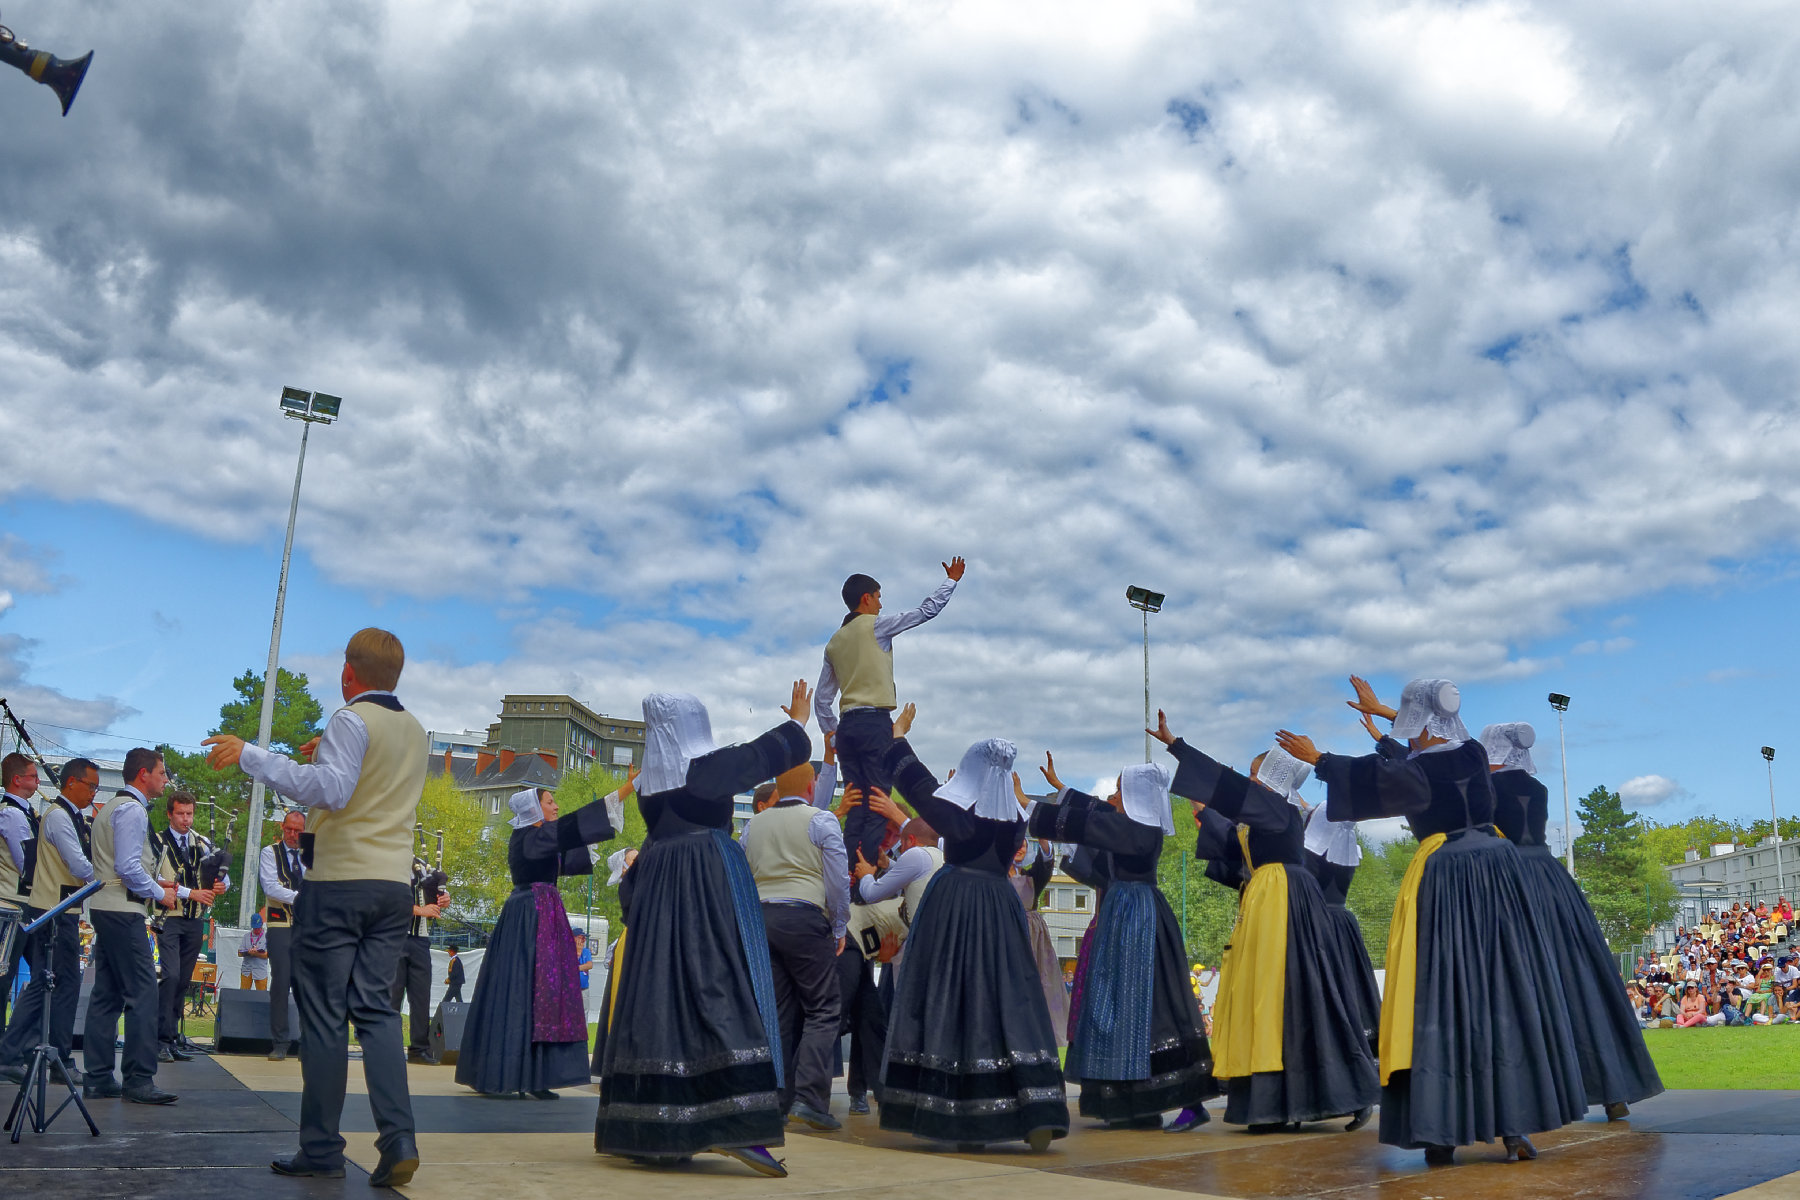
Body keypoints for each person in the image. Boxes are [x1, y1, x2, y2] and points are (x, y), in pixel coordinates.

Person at [1276, 677, 1585, 1165]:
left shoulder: (1417, 773)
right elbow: (1416, 761)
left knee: (1440, 996)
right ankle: (1514, 1129)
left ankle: (1441, 1129)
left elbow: (1392, 776)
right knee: (1505, 990)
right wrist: (1385, 717)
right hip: (1499, 872)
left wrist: (1319, 759)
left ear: (1416, 719)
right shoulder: (1475, 756)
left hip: (1448, 879)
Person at [206, 627, 428, 1187]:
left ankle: (322, 1147)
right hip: (393, 886)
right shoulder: (416, 732)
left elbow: (330, 791)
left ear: (348, 673)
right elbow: (365, 781)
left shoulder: (349, 719)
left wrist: (254, 757)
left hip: (340, 880)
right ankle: (398, 1137)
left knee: (327, 1016)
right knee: (377, 1012)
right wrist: (328, 754)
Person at [594, 685, 814, 1178]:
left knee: (660, 995)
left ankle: (655, 1128)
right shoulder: (703, 771)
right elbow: (761, 755)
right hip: (704, 880)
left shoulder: (652, 783)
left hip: (658, 883)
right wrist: (800, 721)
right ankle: (737, 1120)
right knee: (720, 985)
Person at [1155, 721, 1377, 1133]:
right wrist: (1207, 814)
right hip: (1269, 899)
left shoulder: (1275, 808)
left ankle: (1338, 1093)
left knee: (1283, 995)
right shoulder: (1271, 814)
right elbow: (1238, 855)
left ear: (1271, 779)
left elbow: (1225, 784)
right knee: (1280, 998)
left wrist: (1178, 747)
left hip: (1282, 903)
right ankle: (1284, 1098)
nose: (1251, 780)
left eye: (1257, 774)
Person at [875, 729, 1069, 1151]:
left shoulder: (959, 815)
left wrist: (897, 743)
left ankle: (961, 1110)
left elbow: (920, 787)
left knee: (952, 996)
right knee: (1010, 998)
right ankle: (1032, 1108)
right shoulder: (1015, 819)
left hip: (956, 904)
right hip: (1001, 905)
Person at [1029, 750, 1218, 1132]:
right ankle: (1134, 1103)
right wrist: (1060, 790)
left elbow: (1092, 823)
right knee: (1120, 1007)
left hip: (1137, 921)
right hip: (1123, 916)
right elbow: (1098, 813)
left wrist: (1028, 805)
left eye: (1120, 791)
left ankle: (1188, 1101)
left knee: (1149, 1009)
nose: (1114, 796)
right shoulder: (1132, 825)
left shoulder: (1140, 831)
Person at [1481, 722, 1661, 1120]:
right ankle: (1613, 1090)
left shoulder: (1486, 788)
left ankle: (1529, 1095)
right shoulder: (1539, 788)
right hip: (1550, 878)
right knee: (1579, 979)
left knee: (1515, 979)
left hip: (1509, 879)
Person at [458, 783, 623, 1098]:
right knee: (525, 991)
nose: (556, 806)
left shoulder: (537, 839)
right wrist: (624, 792)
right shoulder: (530, 837)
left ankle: (536, 1076)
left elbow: (570, 843)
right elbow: (574, 826)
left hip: (540, 913)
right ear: (535, 810)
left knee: (545, 994)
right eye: (550, 802)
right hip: (531, 916)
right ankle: (510, 1074)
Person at [815, 557, 964, 866]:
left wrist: (831, 733)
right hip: (874, 724)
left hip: (847, 727)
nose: (881, 605)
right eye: (879, 597)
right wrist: (951, 581)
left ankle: (847, 871)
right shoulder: (876, 626)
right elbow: (925, 611)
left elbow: (822, 699)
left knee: (856, 805)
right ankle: (865, 872)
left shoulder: (833, 643)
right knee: (878, 802)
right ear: (866, 598)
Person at [742, 752, 850, 1132]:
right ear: (810, 787)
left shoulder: (752, 825)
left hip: (762, 919)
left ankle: (776, 1098)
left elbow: (742, 875)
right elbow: (838, 881)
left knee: (780, 1014)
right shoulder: (820, 820)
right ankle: (810, 1098)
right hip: (805, 916)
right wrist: (839, 926)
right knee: (822, 1009)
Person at [83, 746, 180, 1105]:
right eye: (162, 773)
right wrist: (160, 892)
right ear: (144, 774)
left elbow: (121, 865)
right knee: (144, 991)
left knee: (107, 993)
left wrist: (159, 887)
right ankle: (139, 1078)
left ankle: (97, 1076)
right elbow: (127, 867)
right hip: (124, 910)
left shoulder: (112, 807)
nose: (165, 779)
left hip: (107, 906)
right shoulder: (133, 810)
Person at [0, 758, 99, 1084]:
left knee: (53, 983)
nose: (94, 793)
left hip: (45, 907)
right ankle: (16, 1050)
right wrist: (109, 876)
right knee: (40, 982)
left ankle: (31, 1049)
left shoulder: (49, 815)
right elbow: (28, 861)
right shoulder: (26, 815)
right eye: (91, 786)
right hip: (30, 906)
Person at [1301, 797, 1380, 1059]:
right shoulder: (1346, 848)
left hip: (1321, 925)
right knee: (1352, 990)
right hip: (1344, 925)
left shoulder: (1313, 854)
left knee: (1329, 991)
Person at [154, 790, 221, 1062]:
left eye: (189, 814)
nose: (186, 819)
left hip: (194, 920)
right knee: (170, 976)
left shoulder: (201, 842)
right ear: (170, 814)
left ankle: (170, 1039)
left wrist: (220, 884)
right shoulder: (157, 840)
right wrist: (191, 893)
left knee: (182, 981)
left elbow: (219, 873)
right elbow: (154, 877)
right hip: (168, 918)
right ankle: (158, 1038)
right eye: (180, 813)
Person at [258, 809, 307, 1059]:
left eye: (298, 831)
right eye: (289, 829)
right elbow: (270, 887)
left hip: (307, 927)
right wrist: (303, 898)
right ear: (282, 827)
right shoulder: (270, 852)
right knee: (281, 981)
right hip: (280, 924)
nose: (292, 834)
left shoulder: (312, 856)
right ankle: (280, 1041)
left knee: (306, 982)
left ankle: (307, 1040)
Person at [392, 855, 449, 1065]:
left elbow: (432, 887)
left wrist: (444, 898)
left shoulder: (420, 865)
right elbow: (382, 899)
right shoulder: (384, 859)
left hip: (420, 939)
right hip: (393, 938)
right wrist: (418, 910)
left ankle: (418, 1049)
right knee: (392, 996)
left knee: (421, 997)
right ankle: (389, 1048)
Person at [0, 751, 41, 1035]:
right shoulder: (12, 814)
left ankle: (18, 1043)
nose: (38, 781)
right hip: (12, 904)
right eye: (33, 776)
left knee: (43, 974)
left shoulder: (24, 812)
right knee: (5, 976)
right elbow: (26, 862)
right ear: (17, 780)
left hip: (23, 904)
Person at [240, 914, 271, 990]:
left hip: (260, 970)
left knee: (261, 996)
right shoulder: (246, 936)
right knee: (243, 994)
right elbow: (239, 952)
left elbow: (268, 955)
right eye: (255, 928)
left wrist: (256, 953)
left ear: (261, 925)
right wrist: (248, 952)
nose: (257, 930)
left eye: (258, 928)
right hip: (246, 970)